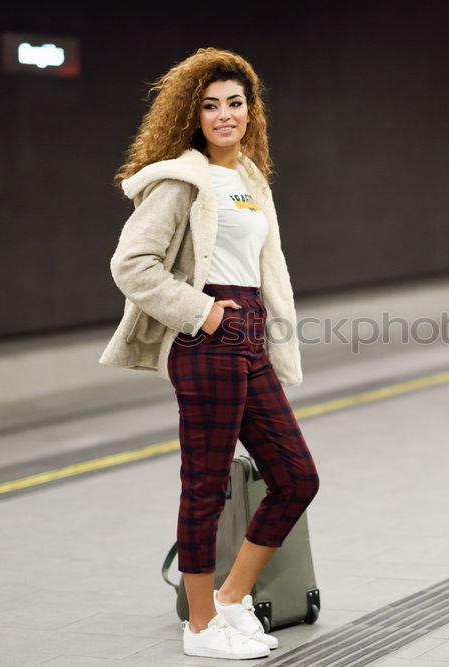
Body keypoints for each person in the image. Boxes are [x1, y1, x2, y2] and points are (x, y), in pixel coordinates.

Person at [100, 48, 319, 660]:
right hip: (208, 334)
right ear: (193, 116)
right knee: (205, 486)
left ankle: (229, 599)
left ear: (251, 112)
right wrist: (205, 313)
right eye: (210, 105)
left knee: (297, 477)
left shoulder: (250, 180)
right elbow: (132, 265)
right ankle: (200, 627)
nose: (225, 115)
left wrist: (262, 328)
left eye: (235, 103)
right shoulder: (181, 179)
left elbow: (266, 267)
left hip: (250, 333)